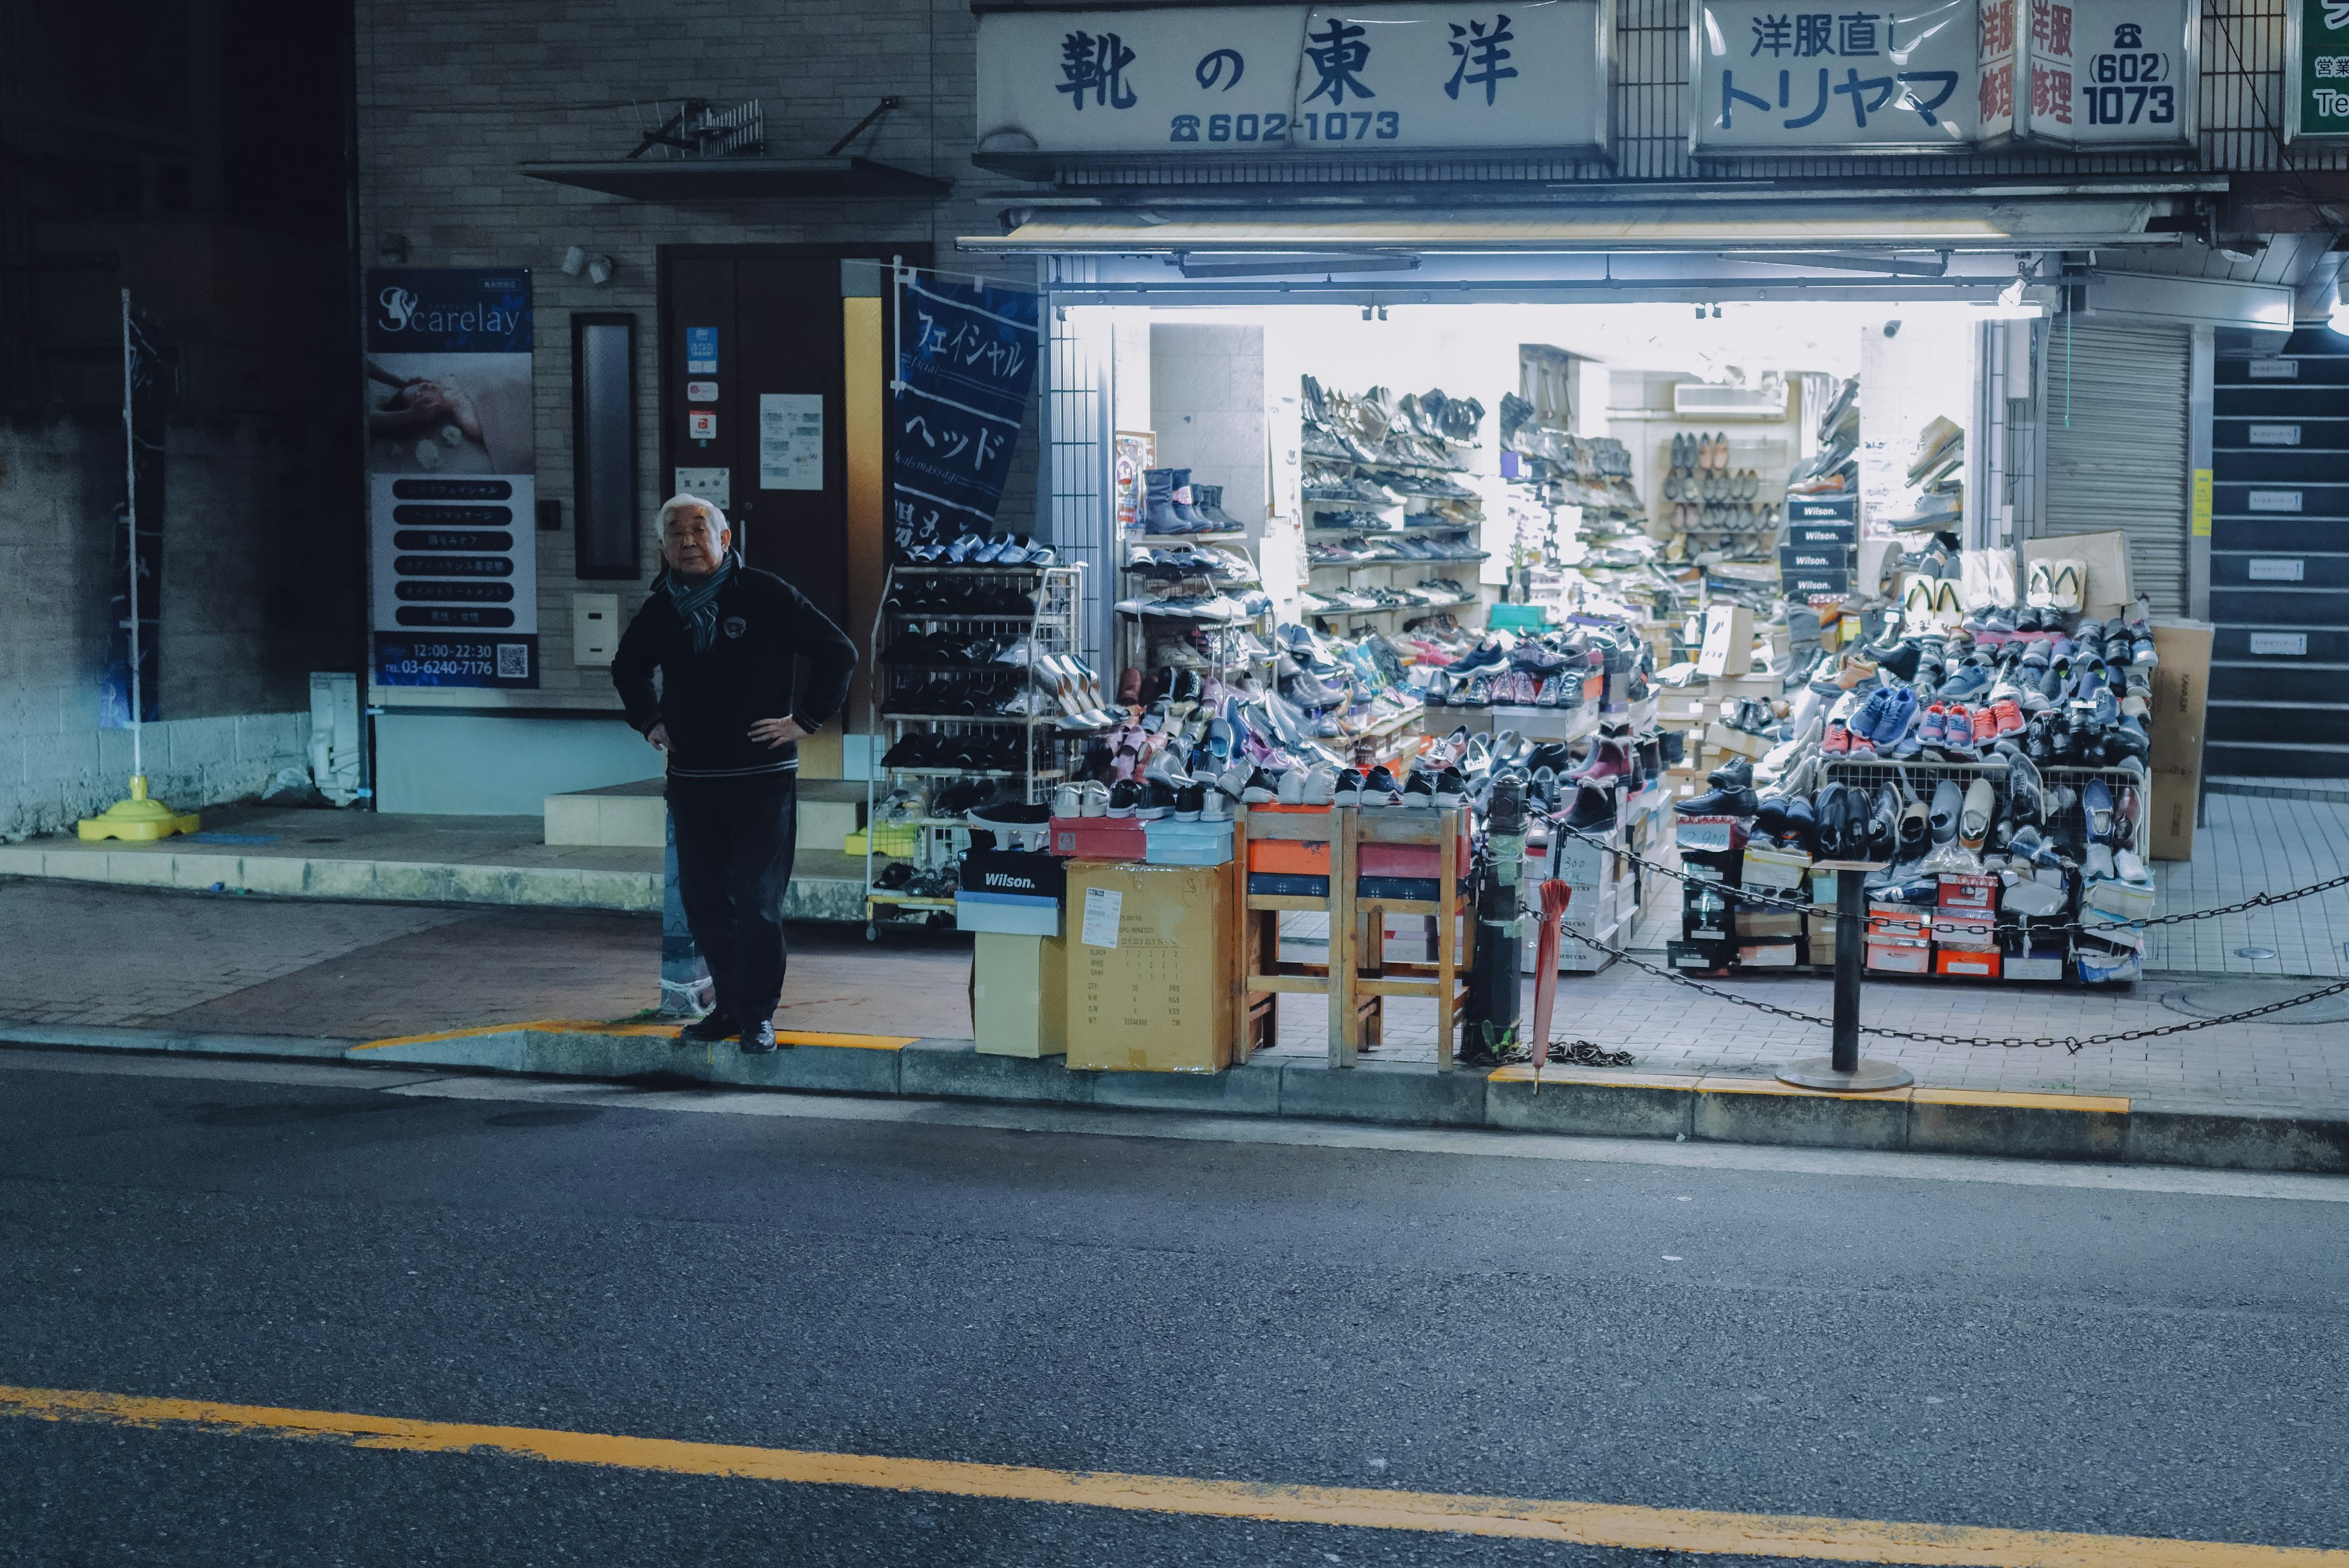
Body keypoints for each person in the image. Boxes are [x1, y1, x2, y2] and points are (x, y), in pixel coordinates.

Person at [613, 496, 857, 1052]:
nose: (687, 540)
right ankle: (728, 1005)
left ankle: (758, 1015)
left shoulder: (766, 594)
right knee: (704, 901)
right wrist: (649, 721)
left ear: (725, 540)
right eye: (675, 532)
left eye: (700, 530)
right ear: (663, 546)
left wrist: (805, 719)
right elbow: (626, 667)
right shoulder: (661, 607)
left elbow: (837, 651)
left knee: (755, 898)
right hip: (694, 779)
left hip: (761, 778)